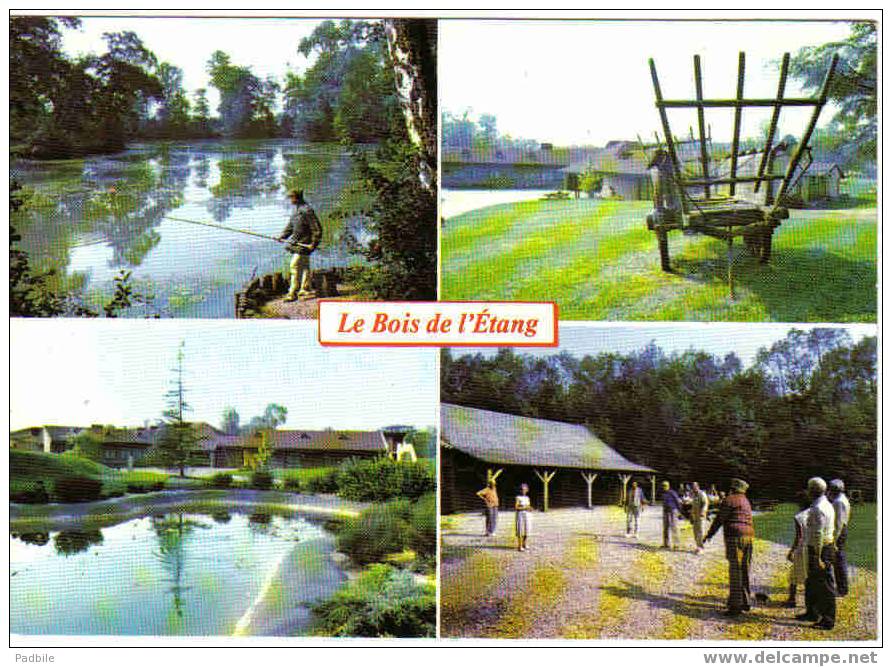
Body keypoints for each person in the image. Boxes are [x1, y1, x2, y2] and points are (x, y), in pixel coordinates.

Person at [704, 478, 754, 616]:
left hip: (735, 537)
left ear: (732, 488)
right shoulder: (746, 501)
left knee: (735, 570)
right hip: (749, 537)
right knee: (744, 569)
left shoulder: (729, 500)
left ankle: (735, 606)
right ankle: (745, 601)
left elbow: (719, 519)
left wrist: (709, 535)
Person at [798, 477, 837, 630]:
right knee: (812, 581)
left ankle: (828, 619)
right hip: (821, 546)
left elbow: (819, 534)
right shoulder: (825, 504)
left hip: (820, 548)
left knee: (824, 585)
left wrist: (819, 556)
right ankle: (812, 612)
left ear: (812, 490)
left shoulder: (818, 508)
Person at [277, 189, 322, 302]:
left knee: (294, 266)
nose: (290, 200)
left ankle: (292, 293)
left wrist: (314, 243)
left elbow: (317, 229)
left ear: (297, 198)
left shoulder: (307, 211)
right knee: (305, 267)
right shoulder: (296, 210)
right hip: (297, 243)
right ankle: (305, 288)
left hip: (304, 244)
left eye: (291, 197)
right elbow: (291, 227)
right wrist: (282, 236)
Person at [785, 495, 811, 609]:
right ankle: (809, 602)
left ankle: (792, 599)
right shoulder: (815, 513)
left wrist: (791, 551)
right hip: (812, 546)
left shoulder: (799, 517)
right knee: (808, 575)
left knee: (794, 575)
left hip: (802, 547)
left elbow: (799, 537)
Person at [828, 479, 851, 597]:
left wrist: (834, 541)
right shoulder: (841, 499)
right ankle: (841, 587)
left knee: (838, 560)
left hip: (839, 532)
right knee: (837, 560)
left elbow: (838, 523)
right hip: (841, 530)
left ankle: (842, 589)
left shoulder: (838, 502)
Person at [661, 480, 683, 550]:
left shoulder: (672, 493)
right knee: (665, 528)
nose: (664, 487)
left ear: (668, 486)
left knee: (674, 527)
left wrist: (680, 511)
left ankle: (676, 544)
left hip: (673, 511)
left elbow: (678, 501)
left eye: (665, 485)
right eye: (663, 485)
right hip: (666, 511)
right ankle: (666, 543)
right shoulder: (663, 494)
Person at [691, 481, 710, 554]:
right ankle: (698, 546)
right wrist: (691, 515)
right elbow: (693, 506)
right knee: (695, 531)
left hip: (701, 516)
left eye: (695, 486)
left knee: (701, 531)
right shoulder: (693, 495)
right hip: (695, 516)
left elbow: (705, 503)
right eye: (692, 487)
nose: (693, 488)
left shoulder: (702, 494)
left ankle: (701, 547)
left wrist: (703, 511)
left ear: (698, 487)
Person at [515, 483, 532, 552]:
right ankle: (520, 545)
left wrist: (530, 508)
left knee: (527, 528)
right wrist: (525, 507)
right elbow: (516, 507)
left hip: (527, 515)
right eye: (522, 489)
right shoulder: (518, 497)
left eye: (525, 489)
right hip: (520, 514)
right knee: (520, 529)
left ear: (527, 490)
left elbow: (529, 506)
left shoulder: (527, 498)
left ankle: (524, 543)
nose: (523, 491)